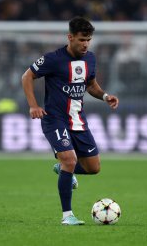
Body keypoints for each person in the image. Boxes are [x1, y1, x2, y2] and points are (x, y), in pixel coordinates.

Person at [21, 17, 119, 225]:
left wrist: (104, 96)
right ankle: (68, 216)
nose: (85, 44)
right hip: (55, 120)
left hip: (78, 121)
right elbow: (26, 77)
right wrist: (33, 105)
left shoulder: (90, 59)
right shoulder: (53, 59)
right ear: (70, 37)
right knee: (69, 159)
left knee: (94, 168)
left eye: (88, 40)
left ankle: (64, 170)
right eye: (82, 39)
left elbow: (91, 85)